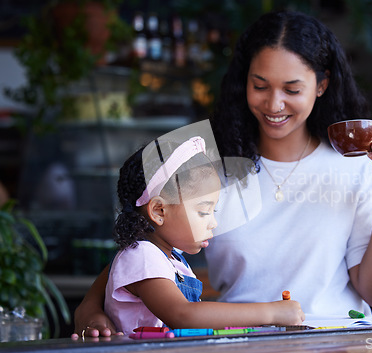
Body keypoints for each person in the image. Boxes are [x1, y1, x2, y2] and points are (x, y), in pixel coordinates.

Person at [73, 10, 372, 337]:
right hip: (237, 341)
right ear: (243, 80)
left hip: (334, 341)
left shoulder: (353, 165)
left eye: (292, 90)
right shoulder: (204, 161)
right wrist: (89, 308)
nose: (274, 104)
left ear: (321, 85)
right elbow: (143, 246)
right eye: (260, 86)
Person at [83, 134, 304, 337]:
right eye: (203, 211)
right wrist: (271, 313)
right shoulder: (142, 256)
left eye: (213, 211)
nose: (213, 223)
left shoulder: (168, 258)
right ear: (159, 211)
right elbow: (182, 315)